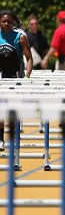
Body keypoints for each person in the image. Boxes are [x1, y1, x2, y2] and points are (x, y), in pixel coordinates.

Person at [0, 9, 33, 151]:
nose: (6, 23)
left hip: (16, 76)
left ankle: (13, 138)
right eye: (3, 21)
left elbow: (29, 58)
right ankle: (1, 139)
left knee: (12, 110)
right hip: (1, 76)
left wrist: (27, 76)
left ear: (13, 22)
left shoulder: (20, 37)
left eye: (9, 21)